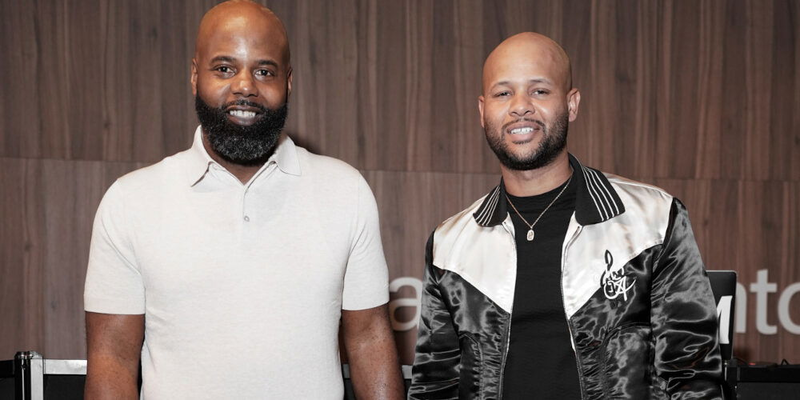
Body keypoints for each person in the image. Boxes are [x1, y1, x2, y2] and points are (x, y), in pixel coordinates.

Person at [83, 1, 404, 398]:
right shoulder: (130, 201)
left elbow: (369, 340)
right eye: (224, 68)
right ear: (195, 75)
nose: (245, 86)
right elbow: (112, 359)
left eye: (264, 71)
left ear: (288, 82)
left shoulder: (345, 191)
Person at [408, 32, 722, 399]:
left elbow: (691, 376)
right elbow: (434, 386)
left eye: (539, 91)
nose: (520, 106)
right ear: (482, 111)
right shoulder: (450, 246)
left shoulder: (652, 220)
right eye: (503, 93)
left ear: (571, 104)